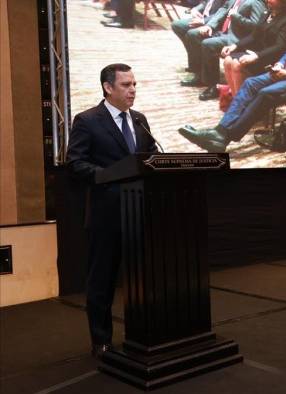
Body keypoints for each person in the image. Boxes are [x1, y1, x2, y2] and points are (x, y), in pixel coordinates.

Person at [66, 64, 158, 358]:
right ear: (108, 87)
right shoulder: (88, 120)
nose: (133, 90)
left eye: (134, 84)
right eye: (126, 85)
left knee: (142, 280)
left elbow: (149, 159)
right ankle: (101, 340)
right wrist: (108, 174)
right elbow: (76, 163)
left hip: (140, 214)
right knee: (102, 281)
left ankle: (143, 334)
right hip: (107, 215)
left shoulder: (140, 120)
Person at [179, 0, 286, 151]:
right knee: (250, 83)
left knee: (264, 93)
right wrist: (281, 64)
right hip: (281, 69)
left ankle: (224, 137)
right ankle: (220, 130)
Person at [217, 0, 286, 98]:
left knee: (236, 64)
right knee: (228, 60)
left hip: (270, 59)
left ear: (283, 3)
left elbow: (279, 47)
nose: (268, 0)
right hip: (257, 54)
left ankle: (241, 104)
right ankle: (235, 100)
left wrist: (257, 56)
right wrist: (235, 46)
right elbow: (253, 36)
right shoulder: (266, 14)